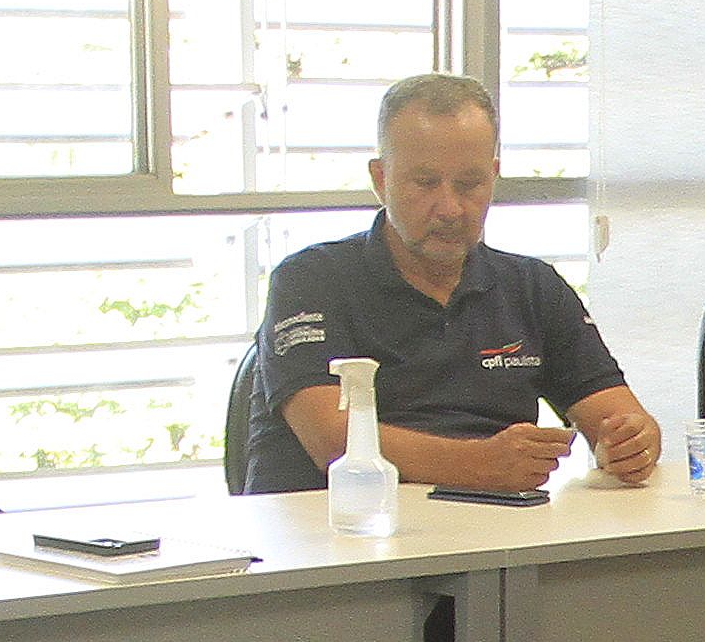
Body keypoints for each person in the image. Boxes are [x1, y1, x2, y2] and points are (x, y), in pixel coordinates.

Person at [247, 75, 661, 495]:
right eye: (425, 183)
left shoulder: (532, 287)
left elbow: (619, 416)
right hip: (338, 535)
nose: (449, 208)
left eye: (469, 184)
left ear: (494, 177)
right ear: (381, 179)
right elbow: (331, 441)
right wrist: (480, 465)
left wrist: (632, 444)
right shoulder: (310, 279)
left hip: (491, 541)